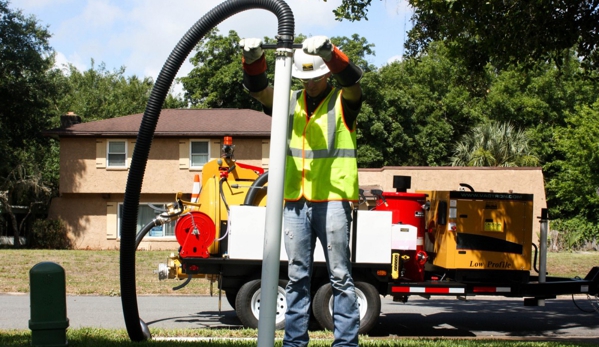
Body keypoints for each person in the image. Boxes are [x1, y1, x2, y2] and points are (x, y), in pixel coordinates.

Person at [240, 36, 364, 347]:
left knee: (340, 275)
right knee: (297, 277)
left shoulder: (342, 102)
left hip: (333, 200)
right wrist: (253, 61)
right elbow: (258, 91)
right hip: (295, 200)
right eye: (304, 79)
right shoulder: (287, 101)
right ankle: (294, 342)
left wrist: (331, 54)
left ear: (326, 74)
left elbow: (353, 83)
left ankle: (346, 343)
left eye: (315, 77)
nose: (309, 84)